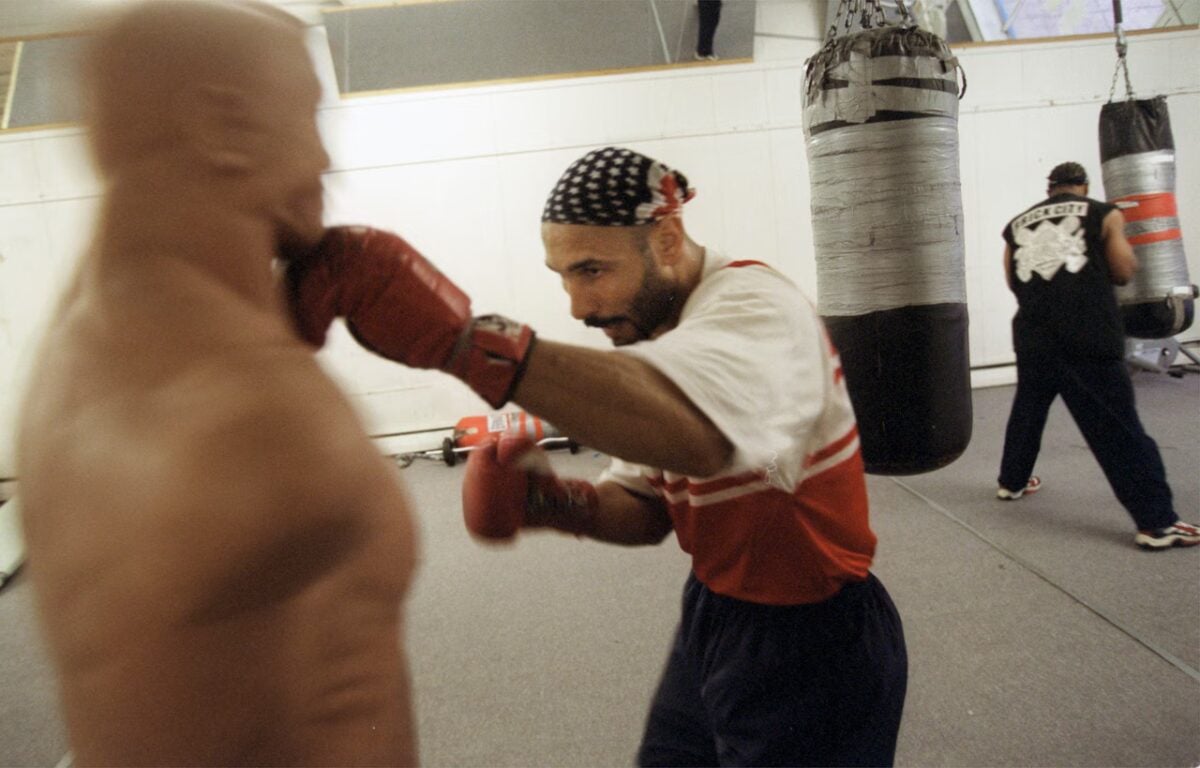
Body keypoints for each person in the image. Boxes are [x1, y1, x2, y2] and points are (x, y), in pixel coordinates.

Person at [287, 146, 908, 766]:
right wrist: (556, 503)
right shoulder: (654, 343)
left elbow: (698, 436)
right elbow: (644, 510)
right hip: (716, 616)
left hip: (816, 636)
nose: (578, 308)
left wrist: (464, 344)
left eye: (591, 271)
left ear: (666, 239)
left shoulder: (755, 307)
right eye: (563, 276)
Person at [15, 2, 417, 763]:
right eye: (307, 113)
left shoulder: (74, 358)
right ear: (222, 125)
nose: (326, 158)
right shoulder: (268, 416)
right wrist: (470, 350)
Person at [997, 161, 1199, 550]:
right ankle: (1158, 524)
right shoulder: (1104, 214)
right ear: (1084, 186)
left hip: (1034, 336)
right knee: (1119, 430)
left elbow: (1011, 278)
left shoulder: (1017, 223)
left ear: (1050, 188)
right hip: (1086, 337)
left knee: (1028, 409)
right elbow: (1123, 270)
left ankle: (1012, 482)